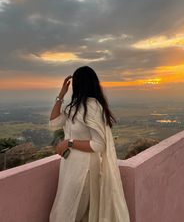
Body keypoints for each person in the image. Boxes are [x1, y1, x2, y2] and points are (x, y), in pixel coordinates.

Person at [48, 66, 130, 222]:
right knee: (67, 212)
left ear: (79, 84)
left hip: (85, 169)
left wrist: (69, 143)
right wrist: (61, 95)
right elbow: (53, 123)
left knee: (67, 215)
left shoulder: (93, 107)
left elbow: (99, 145)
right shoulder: (74, 107)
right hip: (70, 167)